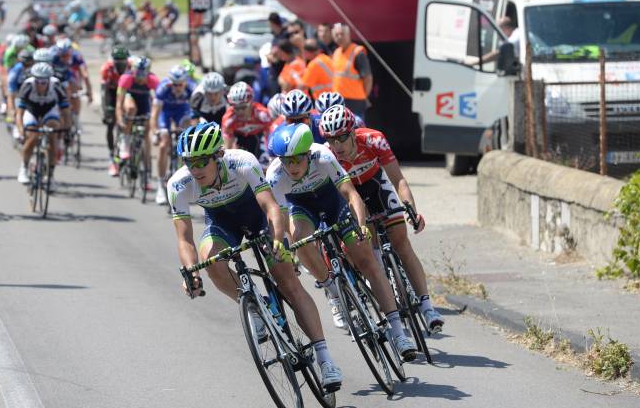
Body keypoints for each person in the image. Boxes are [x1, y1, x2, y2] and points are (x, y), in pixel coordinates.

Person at [168, 122, 343, 391]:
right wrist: (190, 271)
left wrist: (277, 239)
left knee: (288, 283)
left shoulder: (243, 163)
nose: (195, 169)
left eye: (202, 161)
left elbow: (271, 206)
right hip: (222, 224)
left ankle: (325, 358)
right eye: (189, 162)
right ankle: (252, 304)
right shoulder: (179, 183)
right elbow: (184, 238)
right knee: (211, 260)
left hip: (260, 218)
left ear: (217, 156)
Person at [266, 123, 418, 360]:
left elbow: (351, 195)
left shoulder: (323, 156)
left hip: (333, 202)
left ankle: (398, 332)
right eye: (286, 161)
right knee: (300, 240)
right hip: (302, 207)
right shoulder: (274, 175)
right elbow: (281, 219)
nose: (292, 166)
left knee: (367, 261)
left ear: (308, 153)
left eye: (297, 159)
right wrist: (285, 246)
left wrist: (360, 225)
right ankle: (332, 289)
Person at [319, 105, 444, 333]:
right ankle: (385, 301)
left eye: (342, 138)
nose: (337, 146)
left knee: (401, 244)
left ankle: (427, 308)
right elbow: (337, 198)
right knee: (370, 251)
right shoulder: (327, 157)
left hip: (376, 187)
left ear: (353, 133)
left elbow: (399, 181)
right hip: (352, 197)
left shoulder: (374, 140)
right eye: (330, 139)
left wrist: (412, 211)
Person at [15, 62, 71, 184]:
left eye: (44, 82)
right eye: (38, 81)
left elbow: (66, 110)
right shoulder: (28, 85)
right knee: (32, 137)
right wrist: (20, 129)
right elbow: (19, 113)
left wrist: (66, 128)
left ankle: (50, 175)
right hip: (32, 111)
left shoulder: (56, 85)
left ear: (49, 80)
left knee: (53, 135)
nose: (40, 85)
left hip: (49, 111)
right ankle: (24, 167)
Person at [151, 65, 195, 204]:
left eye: (180, 84)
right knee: (163, 145)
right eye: (174, 84)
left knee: (188, 140)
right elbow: (154, 114)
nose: (177, 87)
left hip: (182, 112)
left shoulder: (191, 89)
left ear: (185, 82)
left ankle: (185, 176)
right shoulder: (163, 89)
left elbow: (196, 115)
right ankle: (160, 185)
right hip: (165, 113)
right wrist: (156, 131)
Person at [116, 56, 159, 162]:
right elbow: (119, 104)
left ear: (148, 72)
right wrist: (120, 119)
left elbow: (159, 103)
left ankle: (147, 161)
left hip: (144, 101)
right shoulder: (126, 78)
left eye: (143, 74)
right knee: (131, 109)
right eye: (137, 73)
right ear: (133, 70)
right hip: (130, 98)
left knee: (146, 130)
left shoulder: (153, 80)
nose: (140, 78)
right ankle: (125, 142)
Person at [100, 46, 130, 176]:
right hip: (111, 93)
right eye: (117, 59)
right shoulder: (107, 68)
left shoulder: (131, 67)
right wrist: (106, 110)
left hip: (126, 92)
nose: (120, 62)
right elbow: (104, 91)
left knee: (129, 117)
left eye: (123, 59)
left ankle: (127, 145)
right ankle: (112, 155)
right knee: (111, 123)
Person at [331, 23, 372, 119]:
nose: (339, 37)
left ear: (348, 35)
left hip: (355, 101)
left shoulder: (357, 52)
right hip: (339, 100)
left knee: (356, 130)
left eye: (342, 34)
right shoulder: (336, 52)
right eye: (336, 35)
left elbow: (368, 78)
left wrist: (365, 96)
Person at [221, 82, 272, 157]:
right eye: (236, 108)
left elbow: (270, 138)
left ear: (251, 103)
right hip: (240, 140)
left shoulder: (263, 115)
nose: (240, 111)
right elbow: (227, 146)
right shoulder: (228, 119)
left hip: (258, 138)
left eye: (243, 107)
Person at [7, 48, 36, 139]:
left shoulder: (37, 69)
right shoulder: (16, 70)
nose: (27, 66)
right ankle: (17, 126)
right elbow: (11, 92)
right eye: (25, 64)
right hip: (19, 94)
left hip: (34, 94)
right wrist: (12, 110)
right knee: (17, 106)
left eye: (30, 64)